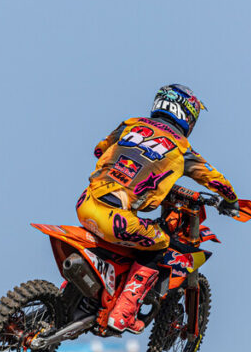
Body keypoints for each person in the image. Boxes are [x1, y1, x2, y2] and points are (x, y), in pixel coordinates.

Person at [77, 84, 240, 332]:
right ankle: (123, 313)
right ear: (187, 116)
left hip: (85, 203)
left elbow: (100, 148)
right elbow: (213, 178)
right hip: (117, 222)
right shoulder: (181, 148)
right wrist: (231, 200)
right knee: (160, 243)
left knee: (121, 237)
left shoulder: (130, 124)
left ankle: (77, 296)